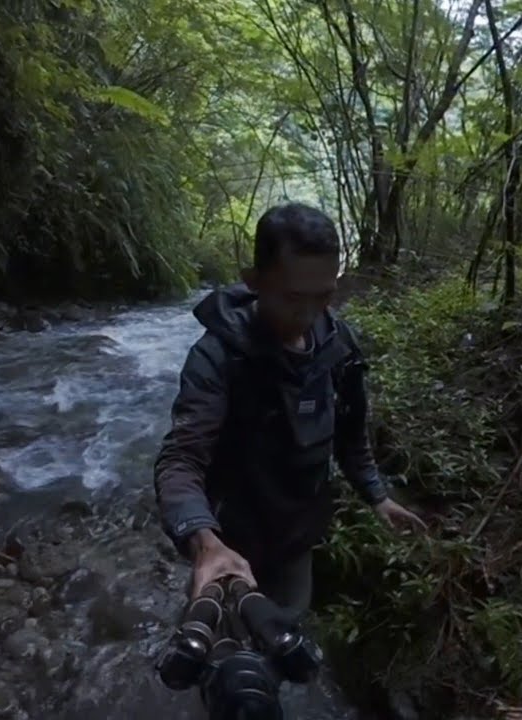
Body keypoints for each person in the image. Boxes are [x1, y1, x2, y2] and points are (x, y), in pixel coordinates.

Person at [153, 202, 425, 619]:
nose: (309, 315)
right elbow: (181, 459)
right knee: (228, 648)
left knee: (287, 631)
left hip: (298, 540)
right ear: (254, 281)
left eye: (324, 297)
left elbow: (350, 434)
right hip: (230, 540)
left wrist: (377, 496)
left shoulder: (339, 347)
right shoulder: (218, 356)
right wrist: (204, 540)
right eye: (294, 298)